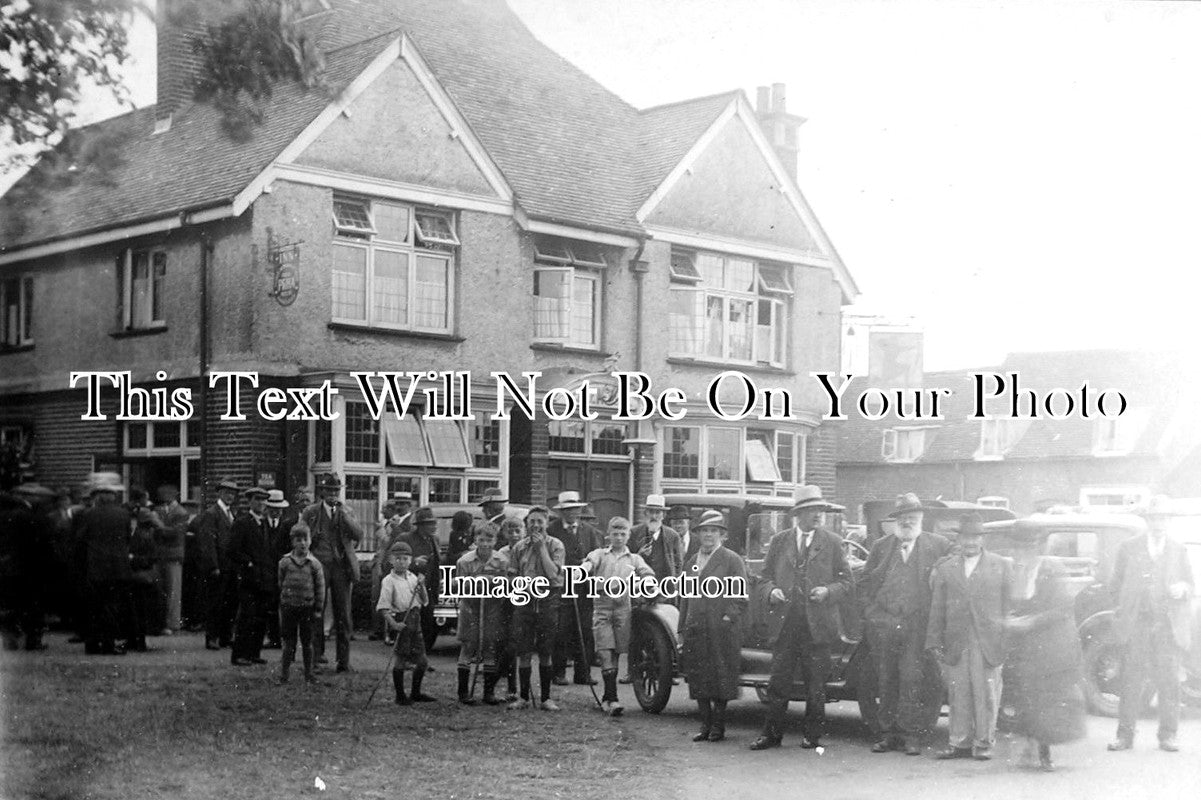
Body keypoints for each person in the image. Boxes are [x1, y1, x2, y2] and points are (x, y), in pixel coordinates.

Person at [749, 485, 852, 751]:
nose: (817, 515)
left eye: (820, 510)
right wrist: (771, 591)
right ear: (799, 514)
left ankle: (812, 736)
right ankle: (771, 735)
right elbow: (763, 578)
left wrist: (827, 591)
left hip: (817, 626)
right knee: (778, 683)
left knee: (815, 686)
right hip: (786, 624)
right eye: (811, 511)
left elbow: (847, 583)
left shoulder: (833, 542)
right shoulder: (780, 540)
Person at [860, 493, 952, 755]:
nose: (907, 522)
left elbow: (954, 561)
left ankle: (911, 735)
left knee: (912, 679)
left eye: (912, 517)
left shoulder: (938, 545)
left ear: (921, 519)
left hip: (918, 625)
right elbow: (865, 583)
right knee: (886, 679)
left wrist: (940, 568)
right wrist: (872, 614)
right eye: (903, 518)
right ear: (895, 521)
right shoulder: (881, 546)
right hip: (885, 624)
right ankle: (888, 734)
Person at [1107, 494, 1194, 753]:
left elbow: (1191, 584)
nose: (1159, 523)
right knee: (1130, 680)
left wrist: (1183, 588)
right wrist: (1124, 611)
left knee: (1169, 681)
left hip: (1167, 626)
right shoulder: (1128, 547)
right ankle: (1125, 736)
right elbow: (1115, 586)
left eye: (1164, 518)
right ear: (1147, 520)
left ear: (1169, 521)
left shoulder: (1178, 549)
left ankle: (1168, 735)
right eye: (1155, 518)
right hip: (1137, 625)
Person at [926, 513, 1012, 761]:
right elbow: (937, 608)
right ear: (959, 539)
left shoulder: (1001, 565)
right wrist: (933, 641)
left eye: (975, 537)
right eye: (966, 537)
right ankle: (959, 742)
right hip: (957, 641)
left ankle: (984, 743)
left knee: (986, 693)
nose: (970, 542)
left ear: (982, 540)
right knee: (958, 692)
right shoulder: (946, 568)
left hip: (989, 643)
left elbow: (1008, 608)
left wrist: (1006, 642)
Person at [1002, 521, 1086, 772]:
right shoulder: (1014, 570)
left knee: (1046, 699)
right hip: (1023, 646)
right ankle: (1029, 744)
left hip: (1050, 645)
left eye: (1027, 547)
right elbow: (1011, 602)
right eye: (1017, 547)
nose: (1021, 553)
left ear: (1038, 547)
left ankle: (1044, 752)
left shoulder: (1051, 568)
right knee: (1024, 696)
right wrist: (1011, 619)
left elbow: (1061, 609)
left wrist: (1029, 622)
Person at [679, 510, 748, 742]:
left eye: (713, 531)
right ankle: (705, 725)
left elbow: (740, 596)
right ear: (698, 534)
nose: (709, 535)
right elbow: (685, 598)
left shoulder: (731, 559)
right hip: (696, 628)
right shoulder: (691, 563)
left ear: (721, 535)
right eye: (705, 530)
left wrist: (728, 618)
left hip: (721, 629)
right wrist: (682, 628)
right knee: (698, 677)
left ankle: (718, 726)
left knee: (721, 676)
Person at [581, 516, 657, 715]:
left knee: (615, 653)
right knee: (605, 651)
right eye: (615, 534)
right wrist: (583, 570)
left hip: (623, 608)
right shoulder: (600, 554)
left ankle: (608, 697)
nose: (619, 538)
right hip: (602, 606)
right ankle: (613, 699)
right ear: (609, 535)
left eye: (623, 534)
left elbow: (647, 573)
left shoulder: (634, 559)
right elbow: (589, 563)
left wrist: (646, 583)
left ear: (628, 536)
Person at [301, 473, 363, 673]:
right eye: (329, 490)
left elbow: (358, 535)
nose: (333, 494)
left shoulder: (347, 511)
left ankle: (343, 660)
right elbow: (299, 534)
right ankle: (317, 657)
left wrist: (344, 517)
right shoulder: (311, 512)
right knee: (317, 609)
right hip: (319, 565)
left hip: (341, 567)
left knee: (343, 612)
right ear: (322, 492)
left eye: (336, 490)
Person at [506, 505, 565, 710]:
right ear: (527, 524)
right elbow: (512, 575)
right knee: (523, 651)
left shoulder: (556, 545)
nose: (536, 525)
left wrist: (541, 549)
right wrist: (520, 585)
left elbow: (553, 574)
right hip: (525, 601)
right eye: (532, 522)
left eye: (540, 521)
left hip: (548, 600)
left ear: (547, 523)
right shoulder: (519, 547)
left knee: (546, 650)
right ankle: (522, 697)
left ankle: (546, 698)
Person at [548, 490, 602, 686]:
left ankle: (583, 674)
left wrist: (588, 566)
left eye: (576, 509)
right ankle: (559, 673)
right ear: (562, 512)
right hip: (561, 587)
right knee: (561, 630)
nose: (573, 513)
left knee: (585, 631)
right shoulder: (552, 530)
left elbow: (596, 555)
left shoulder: (588, 530)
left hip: (584, 588)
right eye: (568, 510)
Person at [453, 522, 510, 705]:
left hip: (492, 608)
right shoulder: (464, 561)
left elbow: (506, 586)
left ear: (495, 540)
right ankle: (463, 693)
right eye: (481, 539)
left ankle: (489, 692)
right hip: (471, 608)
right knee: (468, 647)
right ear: (475, 539)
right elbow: (459, 586)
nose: (485, 544)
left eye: (489, 539)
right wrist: (476, 581)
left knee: (490, 648)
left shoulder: (502, 560)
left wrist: (494, 581)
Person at [76, 474, 132, 655]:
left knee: (94, 607)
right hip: (118, 568)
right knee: (113, 606)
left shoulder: (87, 515)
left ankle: (92, 644)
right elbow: (127, 538)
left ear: (97, 496)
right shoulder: (123, 514)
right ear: (113, 496)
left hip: (95, 568)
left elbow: (79, 542)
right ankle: (109, 643)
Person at [378, 541, 435, 705]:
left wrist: (422, 586)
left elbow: (424, 601)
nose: (401, 562)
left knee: (422, 661)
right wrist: (394, 625)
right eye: (398, 559)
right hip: (401, 620)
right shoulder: (388, 581)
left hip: (415, 621)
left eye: (405, 559)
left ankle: (416, 692)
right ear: (391, 560)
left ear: (410, 560)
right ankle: (400, 695)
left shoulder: (413, 577)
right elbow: (383, 608)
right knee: (401, 659)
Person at [0, 483, 55, 651]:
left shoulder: (5, 517)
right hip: (33, 570)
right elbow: (46, 546)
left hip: (9, 568)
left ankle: (10, 639)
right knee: (34, 606)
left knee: (11, 605)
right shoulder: (37, 518)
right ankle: (33, 640)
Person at [228, 487, 275, 666]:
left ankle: (254, 652)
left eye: (264, 500)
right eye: (257, 500)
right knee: (247, 617)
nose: (261, 504)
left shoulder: (264, 524)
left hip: (264, 579)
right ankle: (239, 654)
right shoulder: (242, 523)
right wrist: (247, 563)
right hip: (249, 578)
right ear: (250, 502)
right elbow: (232, 550)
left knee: (261, 617)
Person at [277, 522, 324, 684]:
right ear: (292, 542)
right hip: (289, 607)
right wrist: (283, 602)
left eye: (305, 539)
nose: (302, 543)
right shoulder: (285, 563)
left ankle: (309, 674)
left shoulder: (314, 564)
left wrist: (318, 608)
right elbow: (280, 583)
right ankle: (284, 675)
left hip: (307, 608)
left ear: (310, 540)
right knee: (288, 643)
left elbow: (320, 588)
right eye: (298, 540)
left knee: (307, 642)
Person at [196, 478, 240, 649]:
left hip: (230, 566)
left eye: (233, 493)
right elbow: (207, 542)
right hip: (218, 566)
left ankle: (225, 636)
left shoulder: (232, 513)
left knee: (230, 602)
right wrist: (213, 565)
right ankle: (212, 637)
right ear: (219, 493)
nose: (230, 496)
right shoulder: (212, 513)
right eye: (227, 492)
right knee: (215, 603)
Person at [399, 506, 442, 654]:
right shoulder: (406, 539)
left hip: (429, 589)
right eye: (431, 523)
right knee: (410, 625)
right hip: (409, 588)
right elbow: (391, 561)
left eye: (434, 522)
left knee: (429, 624)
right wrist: (414, 563)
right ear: (421, 526)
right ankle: (409, 657)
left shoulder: (434, 539)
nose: (435, 526)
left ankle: (422, 657)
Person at [369, 493, 412, 641]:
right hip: (389, 564)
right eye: (397, 504)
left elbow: (406, 539)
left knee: (399, 599)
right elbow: (386, 545)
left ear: (409, 505)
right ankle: (388, 631)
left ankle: (394, 633)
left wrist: (395, 528)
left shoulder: (409, 521)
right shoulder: (395, 521)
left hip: (401, 564)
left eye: (402, 504)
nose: (399, 507)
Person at [125, 487, 163, 652]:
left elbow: (151, 557)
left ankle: (138, 641)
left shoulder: (144, 535)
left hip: (140, 576)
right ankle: (137, 640)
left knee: (139, 611)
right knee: (139, 611)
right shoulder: (145, 534)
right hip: (143, 577)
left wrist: (133, 559)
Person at [495, 516, 527, 701]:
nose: (514, 535)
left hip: (524, 600)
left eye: (518, 531)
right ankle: (510, 686)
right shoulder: (501, 553)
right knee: (506, 643)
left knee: (517, 644)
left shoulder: (529, 550)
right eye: (510, 531)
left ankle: (514, 686)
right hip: (506, 600)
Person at [153, 486, 189, 634]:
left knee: (174, 591)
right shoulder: (160, 510)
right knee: (162, 589)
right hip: (160, 554)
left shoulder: (181, 512)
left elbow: (175, 533)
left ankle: (173, 623)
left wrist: (157, 525)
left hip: (173, 555)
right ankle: (163, 622)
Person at [262, 489, 292, 649]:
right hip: (266, 570)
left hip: (282, 570)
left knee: (284, 606)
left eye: (279, 509)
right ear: (267, 509)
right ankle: (272, 636)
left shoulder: (286, 526)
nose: (276, 512)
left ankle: (282, 638)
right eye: (273, 509)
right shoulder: (262, 524)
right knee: (269, 606)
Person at [629, 494, 683, 580]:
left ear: (663, 515)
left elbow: (678, 563)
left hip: (664, 585)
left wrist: (673, 580)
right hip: (640, 585)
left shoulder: (672, 536)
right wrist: (639, 555)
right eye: (651, 512)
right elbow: (627, 560)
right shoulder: (634, 533)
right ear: (645, 513)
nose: (653, 516)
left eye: (657, 512)